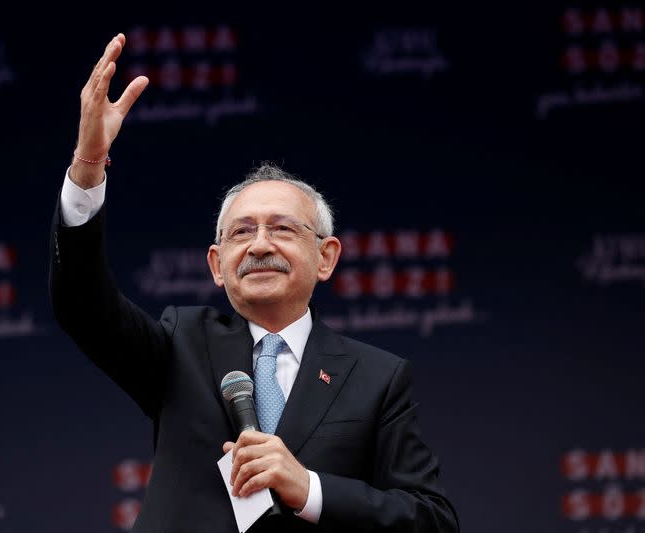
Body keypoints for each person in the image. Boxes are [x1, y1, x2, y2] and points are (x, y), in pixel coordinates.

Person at [50, 33, 459, 533]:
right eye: (242, 232)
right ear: (217, 265)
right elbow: (83, 305)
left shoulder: (378, 378)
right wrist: (88, 164)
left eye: (283, 228)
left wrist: (309, 488)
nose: (260, 244)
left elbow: (433, 521)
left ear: (326, 257)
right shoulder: (183, 344)